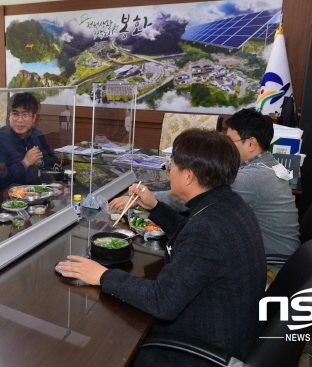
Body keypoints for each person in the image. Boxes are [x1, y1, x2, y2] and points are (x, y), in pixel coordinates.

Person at [59, 129, 266, 366]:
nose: (170, 172)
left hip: (206, 348)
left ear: (188, 176)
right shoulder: (228, 204)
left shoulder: (207, 230)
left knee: (108, 344)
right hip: (234, 328)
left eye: (172, 166)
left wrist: (102, 276)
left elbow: (162, 302)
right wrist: (155, 207)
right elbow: (190, 234)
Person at [110, 107, 300, 279]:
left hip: (270, 266)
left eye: (229, 140)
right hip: (270, 255)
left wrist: (144, 199)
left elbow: (192, 196)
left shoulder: (252, 178)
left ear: (251, 144)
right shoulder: (266, 165)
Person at [0, 92, 58, 192]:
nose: (20, 120)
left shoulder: (37, 134)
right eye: (15, 114)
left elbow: (54, 162)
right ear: (9, 116)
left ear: (34, 117)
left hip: (36, 191)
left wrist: (40, 163)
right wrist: (25, 162)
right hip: (7, 197)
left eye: (25, 114)